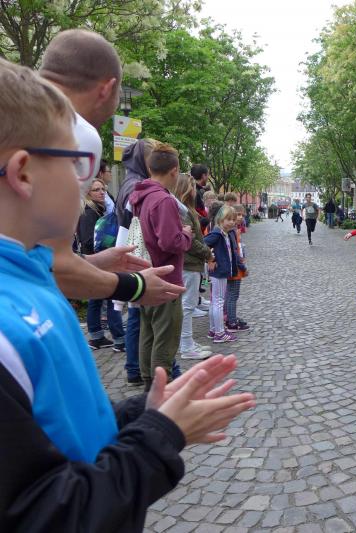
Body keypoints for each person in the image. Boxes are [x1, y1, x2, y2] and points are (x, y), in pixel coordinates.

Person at [0, 58, 255, 531]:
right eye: (76, 163)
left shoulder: (30, 277)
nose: (88, 184)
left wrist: (142, 414)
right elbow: (46, 515)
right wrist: (161, 434)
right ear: (24, 173)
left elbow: (64, 429)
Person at [39, 30, 184, 311]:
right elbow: (57, 267)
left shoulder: (18, 110)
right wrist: (136, 286)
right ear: (108, 88)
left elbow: (35, 258)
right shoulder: (74, 132)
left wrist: (93, 262)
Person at [129, 143, 193, 391]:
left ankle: (149, 383)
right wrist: (186, 234)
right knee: (165, 336)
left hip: (146, 274)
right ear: (174, 171)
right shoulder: (163, 200)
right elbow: (170, 242)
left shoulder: (141, 195)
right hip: (165, 277)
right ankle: (160, 388)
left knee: (148, 333)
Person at [77, 178, 126, 351]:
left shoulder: (98, 210)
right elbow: (88, 241)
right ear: (87, 193)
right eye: (96, 190)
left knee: (97, 298)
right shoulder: (89, 213)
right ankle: (119, 339)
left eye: (102, 189)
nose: (101, 192)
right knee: (111, 296)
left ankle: (97, 337)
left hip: (97, 261)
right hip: (97, 261)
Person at [173, 174, 214, 361]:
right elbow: (189, 241)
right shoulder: (183, 211)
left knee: (187, 305)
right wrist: (207, 253)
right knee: (187, 306)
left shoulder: (186, 210)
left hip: (191, 263)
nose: (195, 191)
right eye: (192, 187)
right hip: (189, 263)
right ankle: (186, 346)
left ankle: (187, 342)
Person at [204, 206, 242, 343]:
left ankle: (214, 329)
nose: (232, 222)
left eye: (233, 219)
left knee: (215, 301)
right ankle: (219, 333)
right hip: (219, 272)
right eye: (228, 219)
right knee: (219, 302)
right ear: (220, 219)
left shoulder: (224, 233)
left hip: (220, 271)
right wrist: (210, 259)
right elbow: (203, 245)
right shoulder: (217, 234)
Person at [225, 205, 250, 332]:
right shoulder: (232, 231)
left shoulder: (234, 230)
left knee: (232, 295)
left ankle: (231, 318)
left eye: (242, 215)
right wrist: (243, 267)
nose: (240, 217)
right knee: (232, 295)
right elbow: (234, 253)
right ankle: (232, 322)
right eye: (238, 215)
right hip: (235, 268)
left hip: (235, 267)